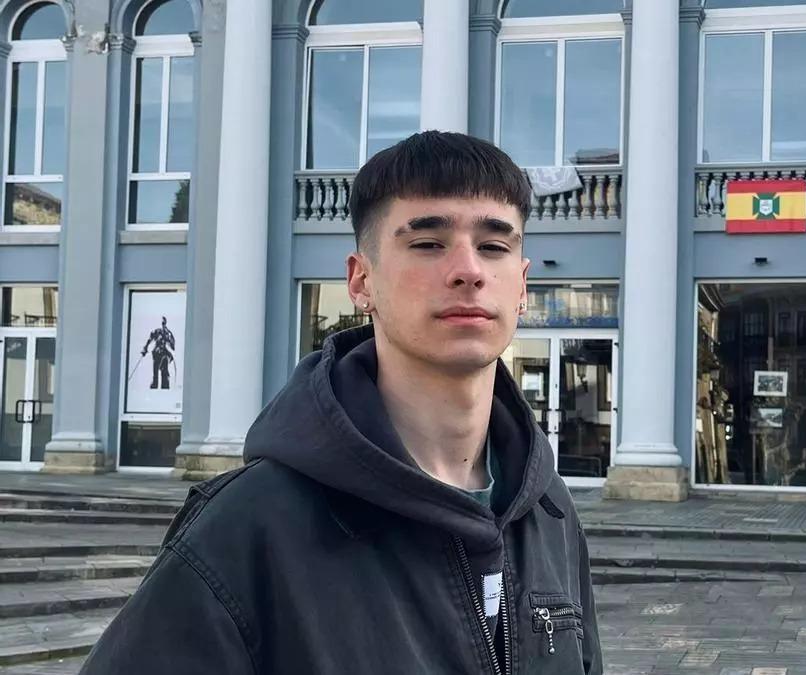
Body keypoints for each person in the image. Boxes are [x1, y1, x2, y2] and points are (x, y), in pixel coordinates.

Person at [81, 131, 602, 674]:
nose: (469, 270)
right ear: (361, 281)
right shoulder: (248, 527)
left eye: (494, 246)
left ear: (522, 286)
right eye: (428, 243)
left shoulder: (548, 510)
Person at [141, 316, 175, 389]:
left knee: (164, 373)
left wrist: (169, 344)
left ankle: (164, 386)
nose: (163, 324)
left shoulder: (168, 333)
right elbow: (149, 340)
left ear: (165, 323)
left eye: (163, 323)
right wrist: (145, 349)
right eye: (162, 323)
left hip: (164, 354)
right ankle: (155, 385)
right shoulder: (157, 331)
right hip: (157, 354)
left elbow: (173, 346)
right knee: (156, 374)